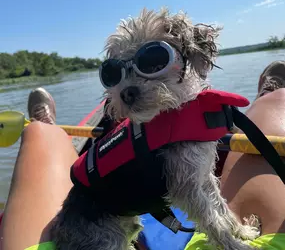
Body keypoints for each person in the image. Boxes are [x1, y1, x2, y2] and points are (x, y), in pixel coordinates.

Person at [0, 61, 285, 250]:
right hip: (98, 226)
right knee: (278, 103)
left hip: (82, 222)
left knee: (38, 134)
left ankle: (45, 124)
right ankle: (268, 96)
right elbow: (196, 197)